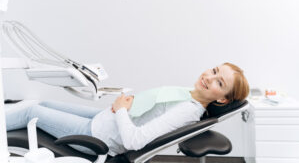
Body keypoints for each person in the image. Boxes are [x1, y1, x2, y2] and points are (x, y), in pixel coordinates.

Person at [5, 62, 249, 156]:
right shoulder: (190, 93)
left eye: (219, 82)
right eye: (215, 70)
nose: (210, 77)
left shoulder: (188, 110)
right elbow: (151, 107)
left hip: (99, 135)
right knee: (44, 104)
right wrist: (124, 103)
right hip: (104, 120)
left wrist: (121, 109)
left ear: (223, 99)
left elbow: (134, 141)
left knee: (31, 113)